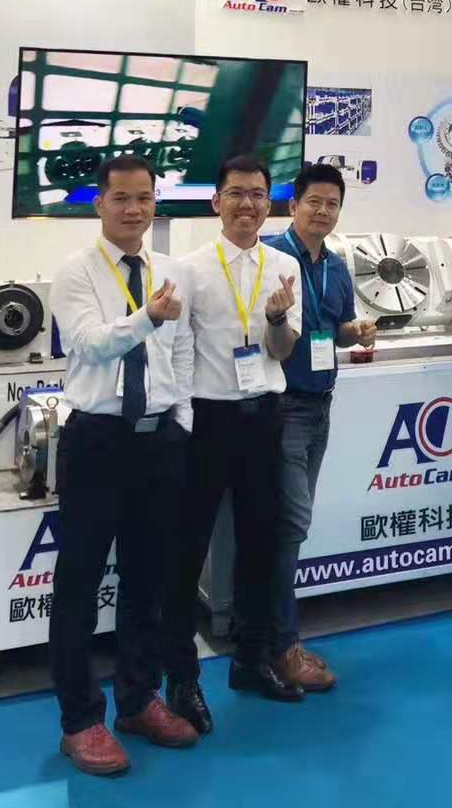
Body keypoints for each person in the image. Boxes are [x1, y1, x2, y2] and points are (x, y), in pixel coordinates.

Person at [50, 154, 198, 778]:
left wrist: (180, 416)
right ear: (99, 204)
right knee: (80, 582)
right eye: (121, 198)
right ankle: (80, 720)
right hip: (97, 441)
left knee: (148, 579)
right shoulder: (75, 273)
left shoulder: (172, 271)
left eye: (144, 198)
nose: (134, 209)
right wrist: (147, 318)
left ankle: (138, 700)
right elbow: (90, 343)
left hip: (158, 440)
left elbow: (182, 351)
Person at [163, 155, 303, 735]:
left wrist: (275, 319)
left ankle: (251, 660)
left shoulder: (284, 267)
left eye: (258, 194)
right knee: (187, 550)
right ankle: (182, 678)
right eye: (237, 193)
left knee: (260, 544)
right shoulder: (190, 269)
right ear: (216, 202)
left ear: (270, 203)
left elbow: (281, 351)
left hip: (264, 417)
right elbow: (177, 352)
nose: (248, 204)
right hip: (206, 419)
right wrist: (182, 420)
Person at [267, 164, 376, 692]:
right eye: (314, 202)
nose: (323, 212)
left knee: (289, 526)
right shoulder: (270, 258)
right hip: (279, 407)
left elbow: (338, 330)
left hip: (319, 405)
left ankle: (267, 635)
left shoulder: (336, 266)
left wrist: (358, 330)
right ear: (294, 206)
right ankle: (281, 645)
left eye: (332, 204)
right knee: (289, 524)